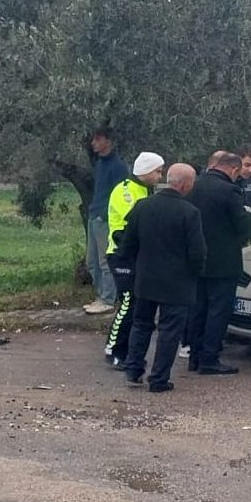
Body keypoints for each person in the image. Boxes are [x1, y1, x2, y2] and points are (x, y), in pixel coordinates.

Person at [121, 164, 206, 392]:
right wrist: (195, 273)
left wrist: (134, 268)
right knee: (169, 331)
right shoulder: (189, 213)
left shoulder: (142, 206)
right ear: (187, 184)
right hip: (177, 283)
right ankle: (158, 379)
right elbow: (197, 252)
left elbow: (127, 243)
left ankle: (133, 370)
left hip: (146, 278)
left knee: (141, 325)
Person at [186, 152, 251, 375]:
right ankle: (209, 359)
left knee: (198, 309)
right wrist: (247, 216)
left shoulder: (193, 185)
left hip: (196, 260)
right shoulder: (230, 190)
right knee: (218, 311)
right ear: (233, 170)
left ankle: (194, 356)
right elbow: (243, 227)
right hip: (223, 263)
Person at [104, 152, 165, 368]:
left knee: (138, 304)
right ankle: (114, 349)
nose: (160, 176)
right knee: (128, 302)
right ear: (146, 171)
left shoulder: (146, 191)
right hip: (122, 255)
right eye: (157, 171)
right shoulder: (126, 191)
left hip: (140, 257)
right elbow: (124, 229)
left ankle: (129, 350)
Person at [84, 127, 129, 315]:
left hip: (105, 218)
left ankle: (108, 299)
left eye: (97, 139)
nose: (93, 143)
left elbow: (119, 193)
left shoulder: (117, 166)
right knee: (91, 261)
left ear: (108, 141)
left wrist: (104, 214)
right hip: (94, 216)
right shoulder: (100, 163)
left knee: (105, 261)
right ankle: (101, 295)